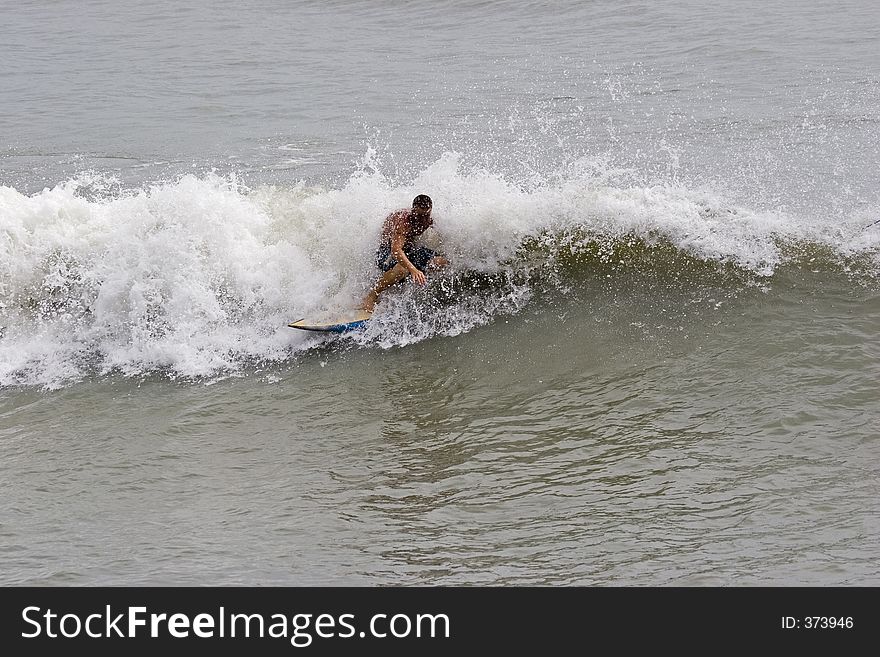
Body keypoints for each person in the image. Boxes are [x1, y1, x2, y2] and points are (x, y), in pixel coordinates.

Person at [360, 194, 448, 313]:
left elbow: (442, 235)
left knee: (441, 262)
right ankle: (372, 296)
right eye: (419, 215)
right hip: (387, 251)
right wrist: (413, 269)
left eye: (426, 215)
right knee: (402, 269)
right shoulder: (403, 221)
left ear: (430, 210)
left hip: (409, 250)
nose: (422, 219)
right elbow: (396, 251)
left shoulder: (429, 219)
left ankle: (414, 286)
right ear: (413, 210)